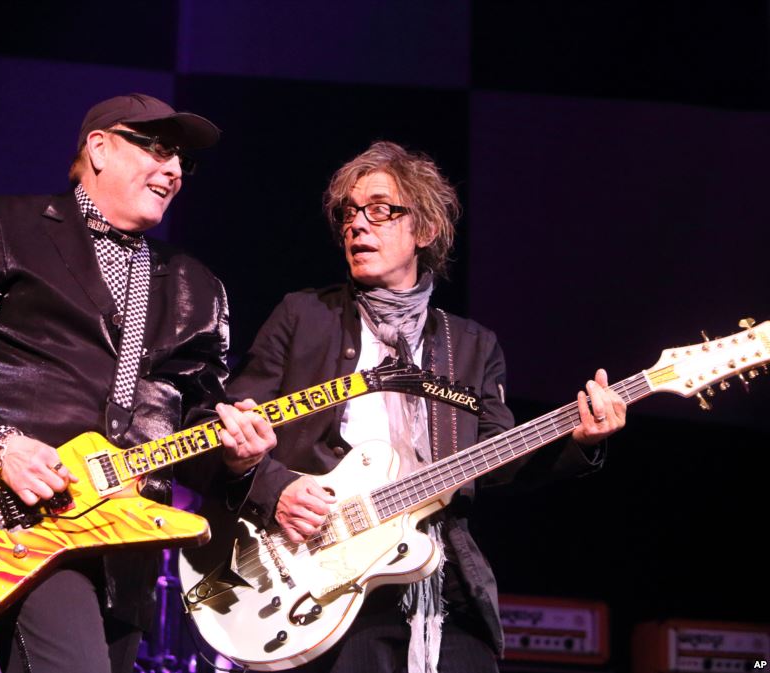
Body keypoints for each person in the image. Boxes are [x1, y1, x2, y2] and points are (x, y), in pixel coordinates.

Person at [0, 93, 276, 673]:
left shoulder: (202, 288)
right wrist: (0, 446)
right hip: (25, 516)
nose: (174, 170)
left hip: (130, 547)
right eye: (157, 148)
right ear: (98, 147)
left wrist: (236, 457)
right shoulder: (9, 226)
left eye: (183, 162)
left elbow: (193, 436)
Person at [225, 141, 627, 673]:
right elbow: (224, 426)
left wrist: (581, 441)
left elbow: (496, 461)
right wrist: (275, 489)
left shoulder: (471, 345)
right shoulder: (304, 316)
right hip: (320, 579)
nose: (356, 225)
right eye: (348, 212)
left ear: (425, 230)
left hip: (442, 582)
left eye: (380, 209)